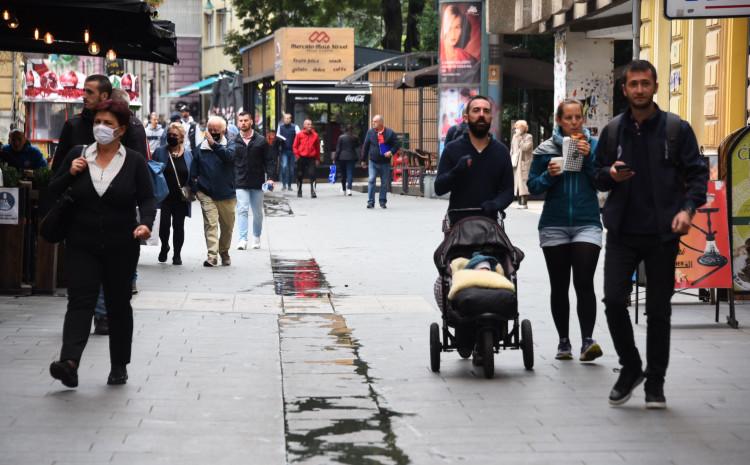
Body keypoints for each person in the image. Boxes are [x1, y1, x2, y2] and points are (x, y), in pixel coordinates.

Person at [593, 60, 708, 409]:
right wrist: (610, 174)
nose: (640, 90)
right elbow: (596, 177)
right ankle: (631, 367)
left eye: (645, 83)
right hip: (623, 231)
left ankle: (655, 383)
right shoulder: (613, 131)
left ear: (656, 86)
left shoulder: (677, 129)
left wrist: (687, 210)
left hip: (662, 233)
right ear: (624, 89)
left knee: (659, 310)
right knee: (614, 300)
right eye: (633, 84)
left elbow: (698, 175)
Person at [47, 99, 155, 388]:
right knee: (80, 300)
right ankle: (69, 362)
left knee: (118, 305)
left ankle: (119, 364)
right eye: (97, 122)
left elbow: (147, 197)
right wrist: (69, 173)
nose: (100, 127)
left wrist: (145, 223)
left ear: (120, 129)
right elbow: (52, 188)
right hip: (81, 242)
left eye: (108, 123)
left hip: (122, 244)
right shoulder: (77, 154)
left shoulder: (134, 161)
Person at [527, 99, 603, 363]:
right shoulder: (544, 149)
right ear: (558, 120)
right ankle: (563, 341)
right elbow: (533, 186)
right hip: (554, 224)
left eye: (578, 117)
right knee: (559, 286)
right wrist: (548, 175)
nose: (573, 123)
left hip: (587, 222)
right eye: (568, 118)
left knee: (584, 282)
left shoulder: (593, 146)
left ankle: (587, 340)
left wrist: (589, 158)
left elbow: (601, 181)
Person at [435, 95, 513, 224]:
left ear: (491, 118)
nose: (481, 115)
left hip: (491, 227)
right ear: (465, 118)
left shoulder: (501, 151)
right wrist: (456, 171)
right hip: (458, 227)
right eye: (476, 110)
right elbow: (439, 188)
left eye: (486, 111)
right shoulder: (452, 149)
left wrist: (495, 204)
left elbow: (508, 191)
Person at [192, 115, 236, 267]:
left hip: (227, 194)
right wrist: (197, 190)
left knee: (227, 227)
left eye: (216, 130)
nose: (212, 133)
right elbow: (193, 172)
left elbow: (229, 157)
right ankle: (212, 255)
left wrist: (215, 145)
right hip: (207, 193)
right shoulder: (200, 149)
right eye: (210, 130)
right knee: (211, 224)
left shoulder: (231, 145)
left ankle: (224, 251)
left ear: (223, 131)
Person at [50, 74, 112, 174]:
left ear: (104, 96)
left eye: (90, 92)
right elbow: (57, 168)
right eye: (84, 90)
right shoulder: (72, 125)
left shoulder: (118, 126)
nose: (84, 96)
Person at [152, 123, 194, 265]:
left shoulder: (188, 155)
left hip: (181, 198)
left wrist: (193, 189)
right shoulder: (159, 152)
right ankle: (165, 246)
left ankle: (177, 254)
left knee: (178, 226)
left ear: (181, 138)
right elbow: (152, 170)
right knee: (163, 226)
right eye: (169, 135)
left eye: (175, 135)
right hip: (164, 197)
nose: (171, 137)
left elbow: (192, 174)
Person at [233, 111, 275, 250]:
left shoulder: (261, 140)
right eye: (241, 120)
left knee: (257, 213)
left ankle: (256, 236)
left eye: (246, 120)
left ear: (251, 122)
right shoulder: (234, 141)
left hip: (257, 182)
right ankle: (242, 239)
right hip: (240, 181)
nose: (243, 123)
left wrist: (270, 178)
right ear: (238, 122)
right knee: (242, 210)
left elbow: (269, 160)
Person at [361, 115, 400, 209]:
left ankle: (382, 201)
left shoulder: (390, 133)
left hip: (385, 162)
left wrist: (391, 152)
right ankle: (371, 202)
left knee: (384, 182)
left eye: (375, 122)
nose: (373, 123)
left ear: (381, 123)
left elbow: (397, 144)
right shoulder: (370, 132)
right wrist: (363, 160)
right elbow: (365, 146)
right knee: (371, 180)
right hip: (373, 161)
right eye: (373, 121)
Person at [440, 5, 479, 84]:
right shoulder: (440, 55)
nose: (453, 33)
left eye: (457, 27)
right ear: (444, 29)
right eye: (450, 27)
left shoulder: (468, 60)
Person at [292, 119, 321, 198]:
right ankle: (299, 189)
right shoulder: (299, 134)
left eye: (310, 124)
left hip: (311, 158)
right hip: (301, 157)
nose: (310, 126)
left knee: (312, 174)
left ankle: (313, 191)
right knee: (300, 175)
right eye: (308, 124)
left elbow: (317, 148)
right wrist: (297, 156)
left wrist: (318, 159)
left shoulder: (315, 135)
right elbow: (294, 146)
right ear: (304, 125)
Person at [511, 120, 534, 209]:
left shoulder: (529, 136)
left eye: (518, 127)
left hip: (524, 162)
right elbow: (513, 149)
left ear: (522, 128)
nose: (516, 129)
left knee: (523, 183)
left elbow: (525, 148)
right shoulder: (514, 137)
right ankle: (520, 203)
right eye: (516, 127)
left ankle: (524, 203)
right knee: (516, 183)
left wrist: (520, 137)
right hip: (516, 162)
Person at [276, 113, 300, 191]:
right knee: (284, 167)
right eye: (285, 118)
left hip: (292, 151)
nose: (286, 120)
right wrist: (280, 139)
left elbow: (299, 137)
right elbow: (277, 135)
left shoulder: (295, 127)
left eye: (288, 118)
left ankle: (289, 185)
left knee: (291, 169)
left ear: (290, 119)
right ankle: (284, 184)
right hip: (284, 150)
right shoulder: (280, 127)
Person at [333, 125, 359, 196]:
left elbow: (338, 149)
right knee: (350, 173)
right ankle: (349, 189)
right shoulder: (355, 137)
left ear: (345, 130)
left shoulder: (341, 137)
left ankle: (344, 189)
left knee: (343, 174)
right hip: (351, 157)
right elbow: (357, 146)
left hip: (342, 157)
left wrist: (335, 158)